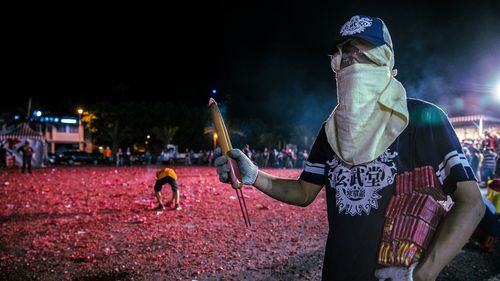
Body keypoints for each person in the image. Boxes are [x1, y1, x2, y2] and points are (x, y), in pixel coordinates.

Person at [214, 15, 485, 281]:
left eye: (360, 53)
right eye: (343, 55)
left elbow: (471, 203)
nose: (350, 61)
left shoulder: (423, 119)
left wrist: (423, 274)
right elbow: (303, 192)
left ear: (384, 58)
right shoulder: (331, 131)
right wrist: (254, 175)